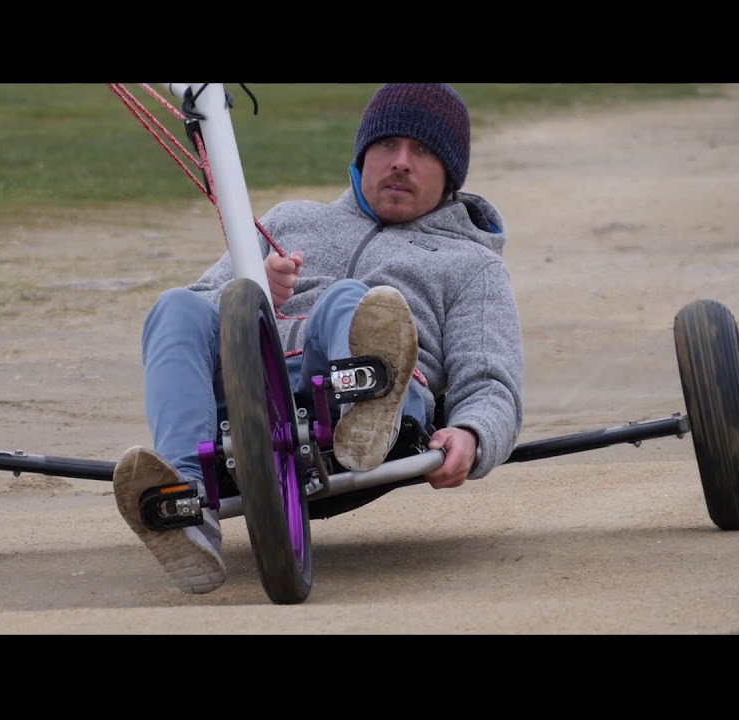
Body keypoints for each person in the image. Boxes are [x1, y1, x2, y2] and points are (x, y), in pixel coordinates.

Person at [113, 83, 525, 594]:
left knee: (348, 299)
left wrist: (473, 436)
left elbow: (491, 383)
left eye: (422, 151)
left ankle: (367, 406)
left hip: (374, 402)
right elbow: (194, 316)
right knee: (176, 305)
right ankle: (185, 502)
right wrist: (256, 287)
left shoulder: (472, 264)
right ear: (362, 156)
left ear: (450, 176)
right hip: (252, 393)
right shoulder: (291, 220)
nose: (400, 162)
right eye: (386, 146)